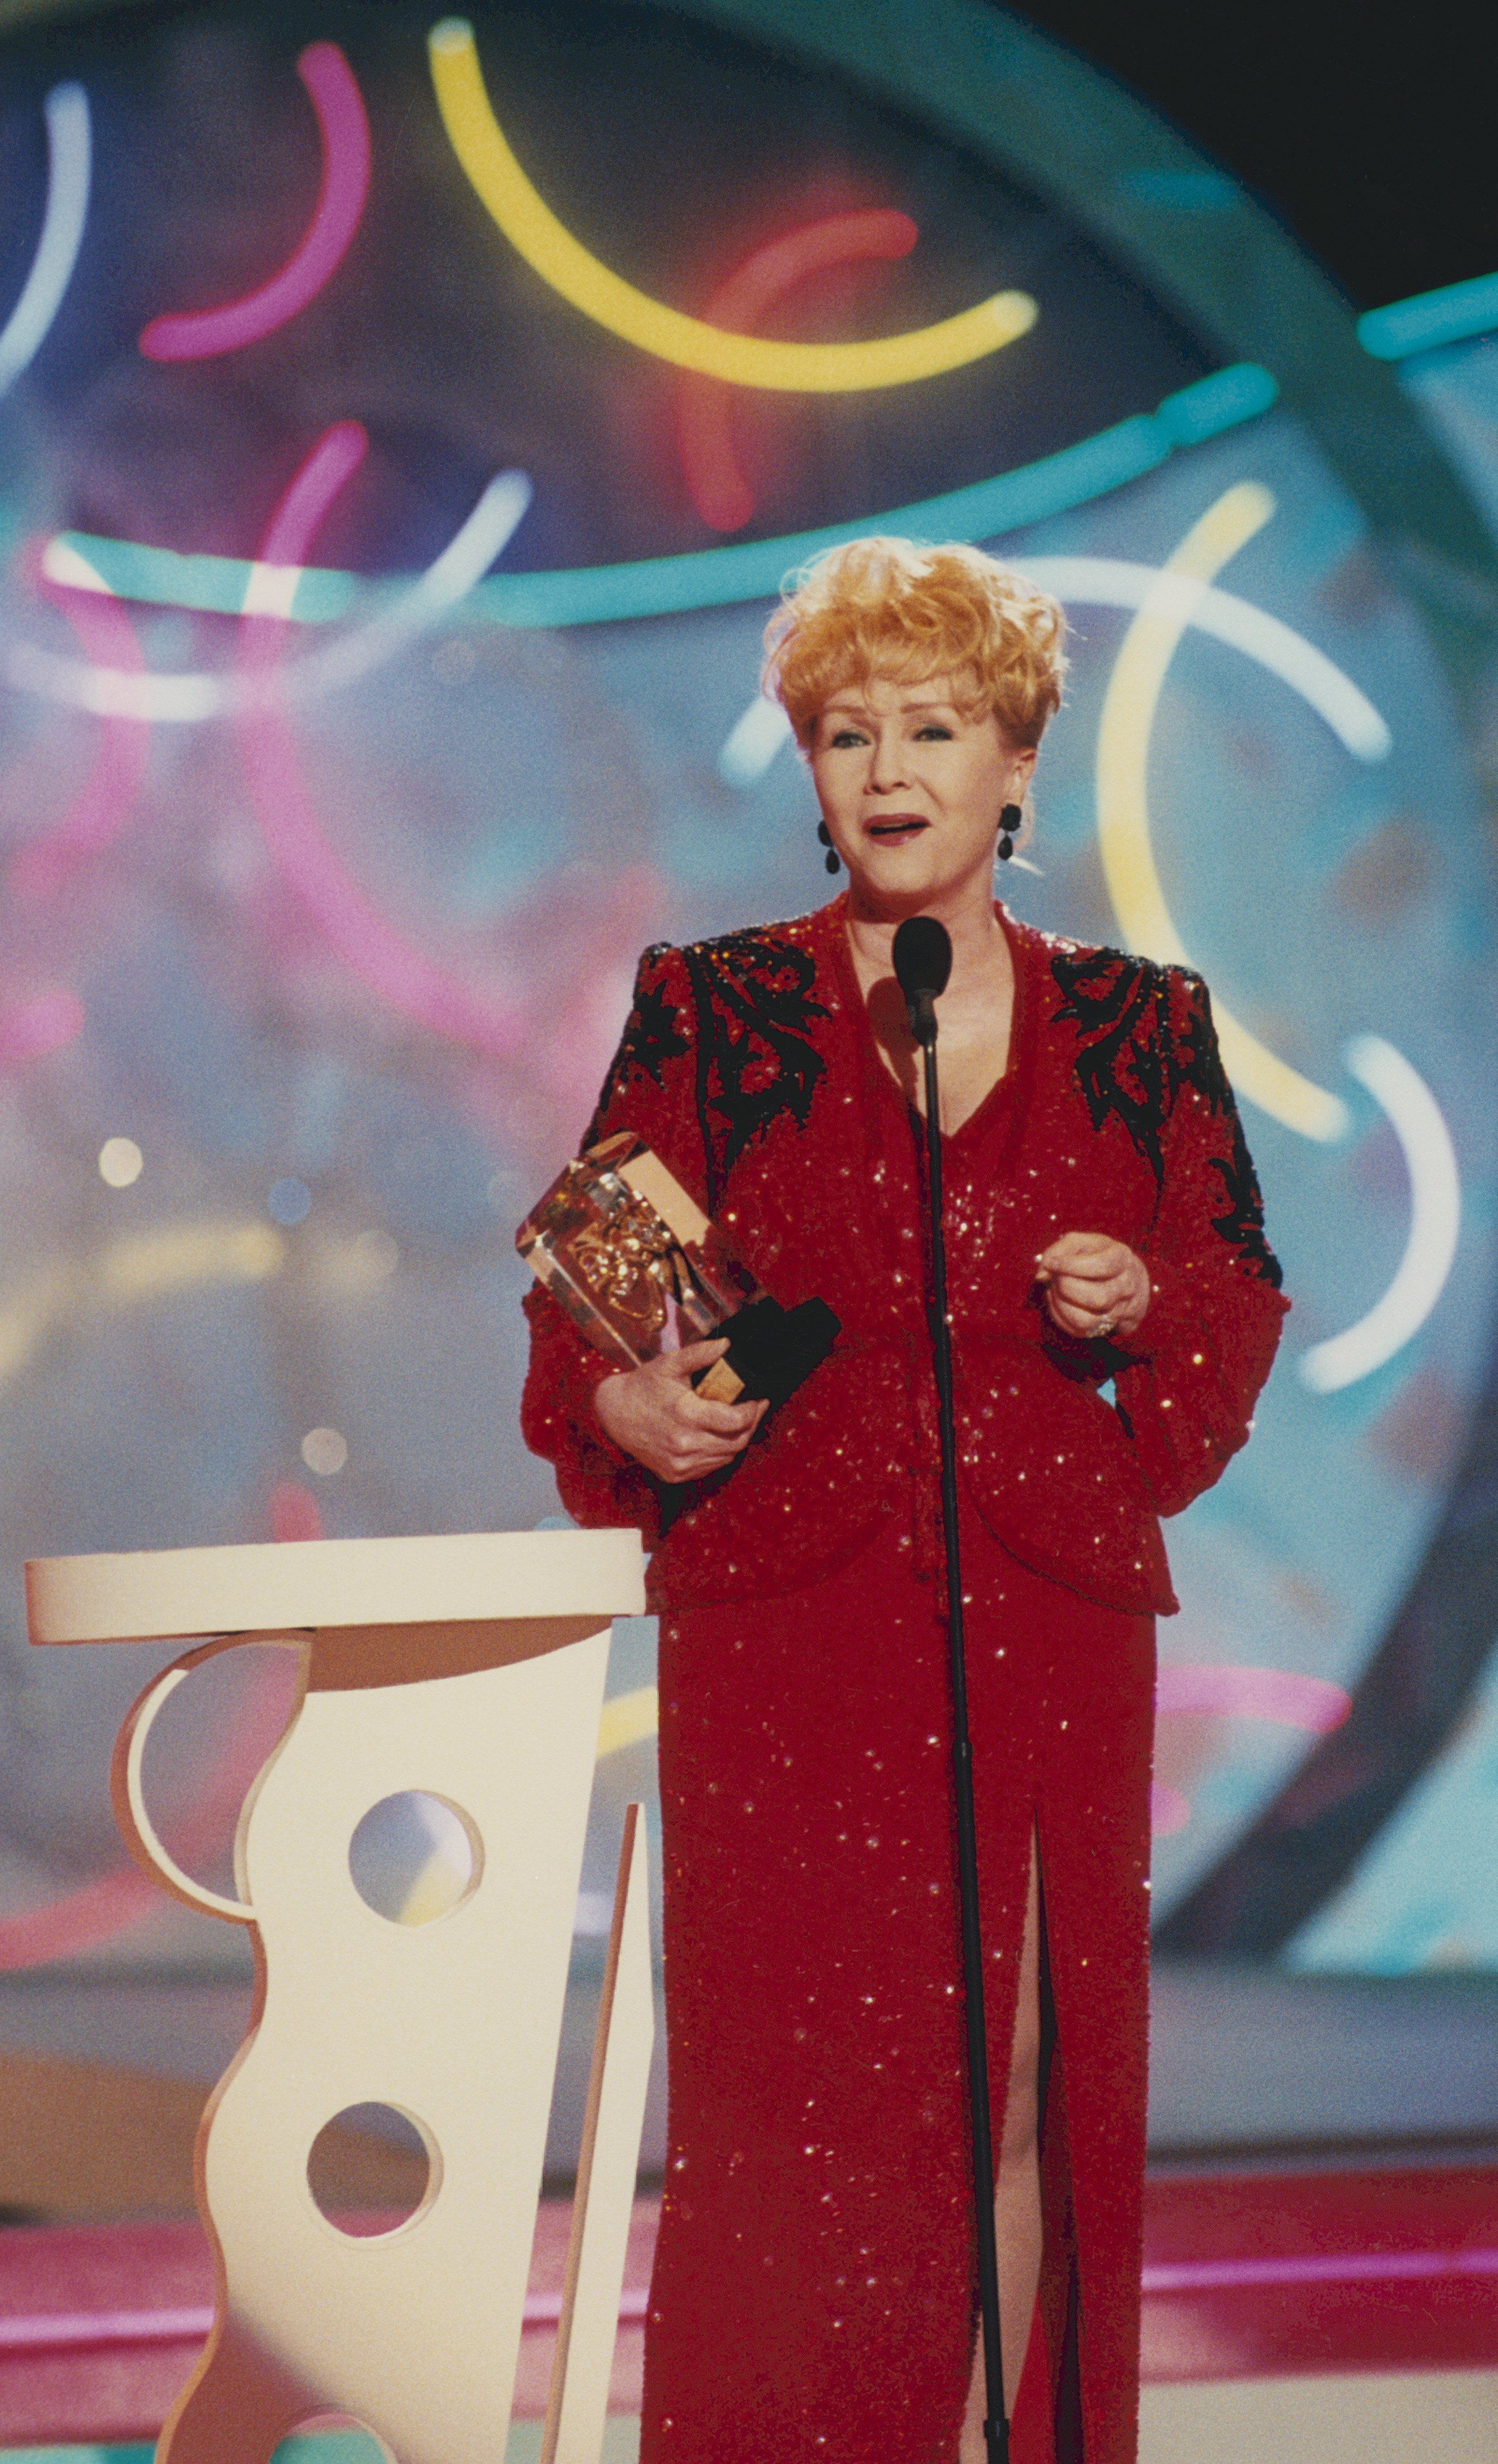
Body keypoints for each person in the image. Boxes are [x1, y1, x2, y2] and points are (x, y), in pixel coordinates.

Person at [522, 537, 1286, 2464]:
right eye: (848, 730)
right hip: (792, 1608)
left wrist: (1142, 1298)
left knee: (1022, 2078)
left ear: (1015, 762)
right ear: (809, 767)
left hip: (1043, 1601)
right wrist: (633, 1397)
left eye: (932, 727)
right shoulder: (705, 1011)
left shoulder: (1143, 1024)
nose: (887, 768)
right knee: (798, 2112)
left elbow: (1235, 1291)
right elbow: (591, 1301)